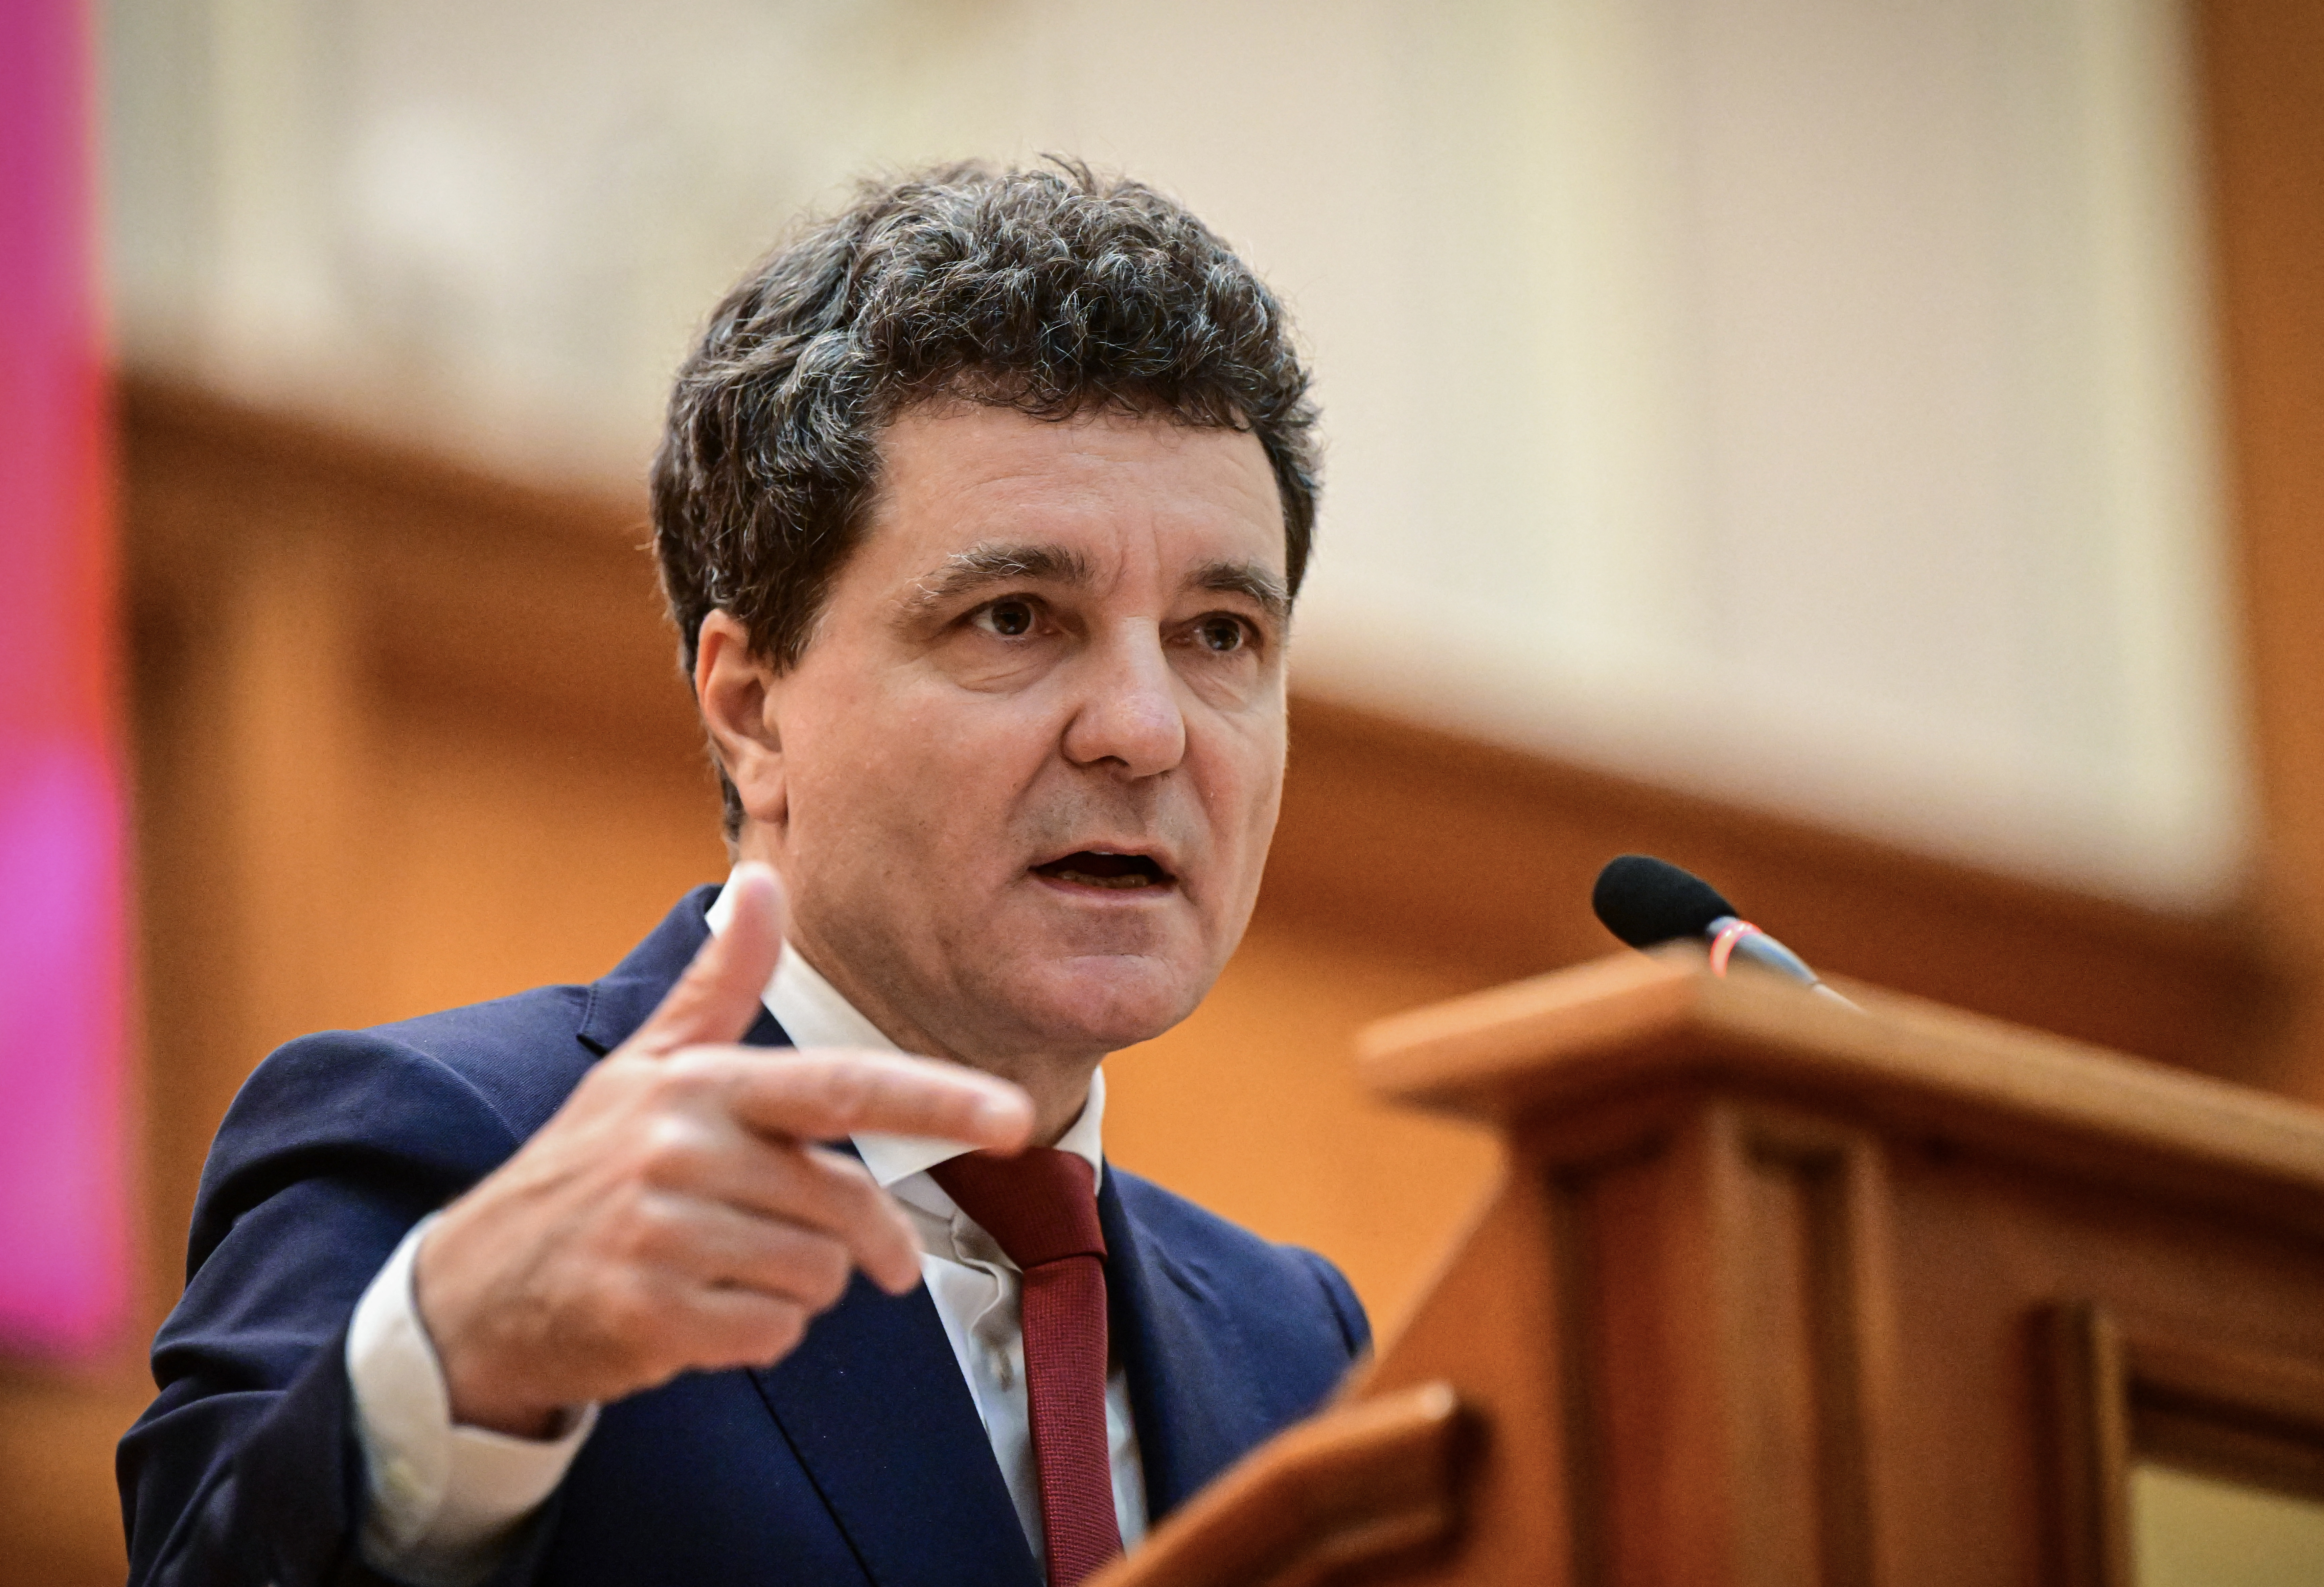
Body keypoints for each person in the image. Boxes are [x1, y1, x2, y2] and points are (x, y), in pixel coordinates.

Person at [118, 161, 1367, 1587]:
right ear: (751, 704)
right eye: (1015, 617)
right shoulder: (458, 1155)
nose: (1144, 729)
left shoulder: (1294, 1344)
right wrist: (454, 1366)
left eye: (1218, 635)